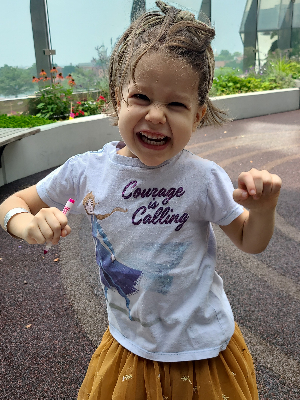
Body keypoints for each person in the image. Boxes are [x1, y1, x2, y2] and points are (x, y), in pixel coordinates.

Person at [0, 1, 281, 399]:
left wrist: (264, 210)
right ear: (118, 98)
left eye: (176, 104)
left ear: (198, 116)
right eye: (141, 97)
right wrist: (26, 224)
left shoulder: (202, 178)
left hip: (201, 350)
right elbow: (10, 203)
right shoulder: (87, 170)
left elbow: (252, 241)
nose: (155, 115)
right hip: (130, 347)